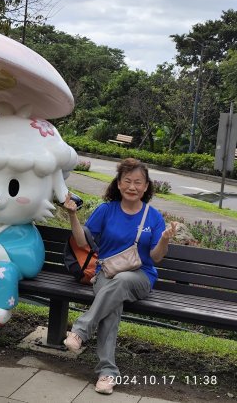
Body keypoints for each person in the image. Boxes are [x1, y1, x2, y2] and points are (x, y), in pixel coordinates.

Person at [62, 158, 177, 395]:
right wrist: (73, 216)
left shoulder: (153, 217)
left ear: (146, 187)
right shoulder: (106, 210)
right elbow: (83, 242)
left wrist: (164, 240)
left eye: (138, 182)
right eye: (127, 181)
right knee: (112, 304)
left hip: (140, 277)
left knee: (122, 283)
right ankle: (107, 374)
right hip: (107, 272)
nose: (132, 187)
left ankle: (80, 331)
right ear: (119, 183)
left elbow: (156, 258)